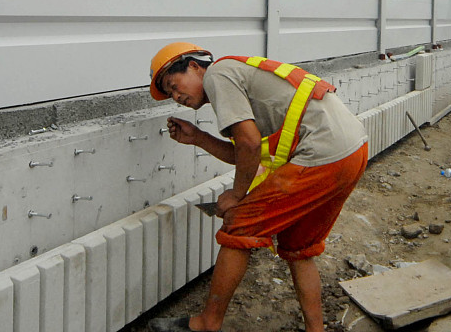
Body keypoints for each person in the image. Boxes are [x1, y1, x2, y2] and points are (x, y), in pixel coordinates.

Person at [146, 43, 369, 332]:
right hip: (352, 152)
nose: (177, 97)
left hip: (321, 154)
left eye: (174, 86)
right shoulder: (242, 79)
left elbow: (249, 144)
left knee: (240, 224)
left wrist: (237, 196)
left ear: (194, 66)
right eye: (171, 96)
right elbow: (248, 151)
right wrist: (199, 138)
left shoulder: (217, 75)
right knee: (299, 246)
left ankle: (206, 324)